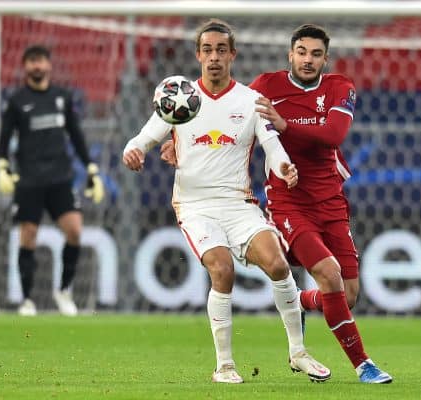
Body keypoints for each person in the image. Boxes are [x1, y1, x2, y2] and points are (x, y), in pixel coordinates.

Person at [161, 23, 393, 384]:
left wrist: (284, 124)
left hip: (330, 199)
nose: (308, 59)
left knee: (347, 293)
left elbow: (333, 136)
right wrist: (181, 140)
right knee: (328, 274)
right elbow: (222, 111)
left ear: (325, 59)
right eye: (301, 52)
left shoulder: (339, 87)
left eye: (316, 54)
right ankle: (364, 365)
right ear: (290, 54)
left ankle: (301, 301)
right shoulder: (266, 87)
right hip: (288, 201)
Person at [122, 19, 330, 384]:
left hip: (239, 203)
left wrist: (285, 168)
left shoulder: (250, 101)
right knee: (222, 270)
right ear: (198, 55)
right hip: (195, 206)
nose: (214, 57)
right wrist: (133, 152)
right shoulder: (181, 99)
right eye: (207, 50)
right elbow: (141, 139)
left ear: (232, 54)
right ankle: (224, 366)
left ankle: (298, 353)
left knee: (280, 266)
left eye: (221, 50)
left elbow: (273, 148)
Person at [0, 45, 105, 317]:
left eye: (41, 61)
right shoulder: (17, 101)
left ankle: (65, 291)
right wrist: (3, 167)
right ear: (25, 66)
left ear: (49, 65)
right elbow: (4, 136)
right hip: (30, 179)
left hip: (60, 177)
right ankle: (26, 300)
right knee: (28, 235)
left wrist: (91, 169)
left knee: (75, 230)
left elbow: (76, 135)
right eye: (32, 61)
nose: (37, 66)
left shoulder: (62, 97)